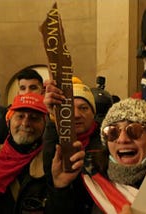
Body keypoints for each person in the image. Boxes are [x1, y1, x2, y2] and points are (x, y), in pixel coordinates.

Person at [46, 97, 146, 213]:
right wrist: (61, 188)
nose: (122, 139)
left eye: (134, 130)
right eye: (113, 132)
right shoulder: (88, 177)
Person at [43, 80, 108, 213]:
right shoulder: (53, 140)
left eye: (83, 108)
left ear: (93, 113)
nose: (76, 115)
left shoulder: (109, 142)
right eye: (69, 108)